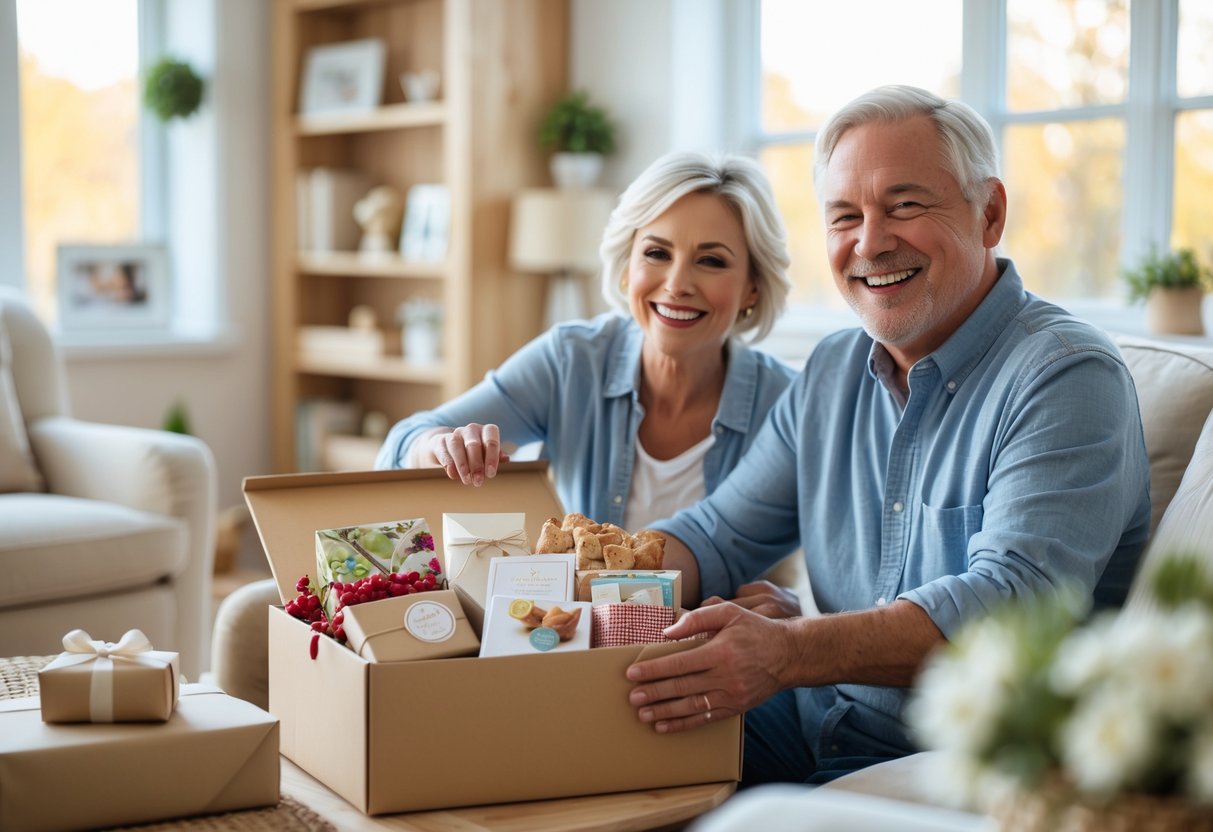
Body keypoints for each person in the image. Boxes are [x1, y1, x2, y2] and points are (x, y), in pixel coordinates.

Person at [624, 85, 1152, 785]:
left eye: (904, 206)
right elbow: (716, 535)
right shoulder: (831, 371)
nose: (870, 243)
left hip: (959, 762)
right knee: (582, 739)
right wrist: (582, 580)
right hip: (818, 720)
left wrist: (788, 649)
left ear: (988, 212)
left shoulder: (1064, 375)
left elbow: (1009, 606)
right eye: (845, 216)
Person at [375, 150, 797, 532]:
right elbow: (401, 443)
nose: (677, 284)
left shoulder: (789, 403)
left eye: (711, 261)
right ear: (628, 265)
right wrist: (436, 447)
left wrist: (785, 602)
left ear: (752, 288)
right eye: (656, 253)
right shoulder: (571, 361)